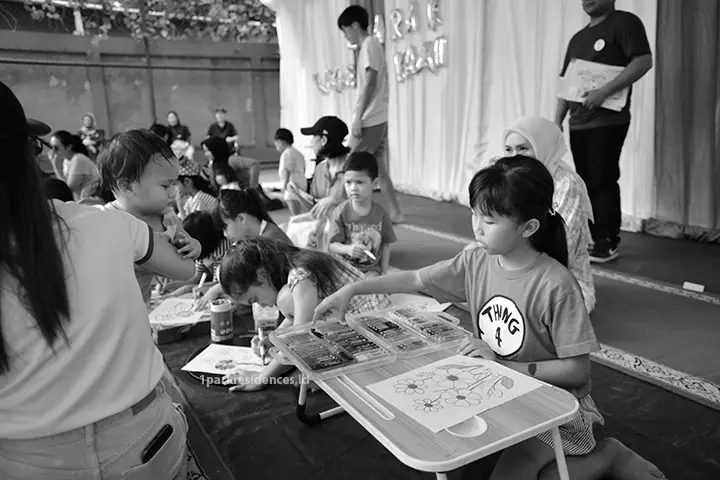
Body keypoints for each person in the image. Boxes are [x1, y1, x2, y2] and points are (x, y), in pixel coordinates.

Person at [314, 155, 666, 480]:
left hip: (554, 406)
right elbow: (414, 279)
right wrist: (351, 289)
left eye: (489, 220)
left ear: (528, 227)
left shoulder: (556, 285)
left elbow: (576, 372)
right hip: (494, 389)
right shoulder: (475, 262)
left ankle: (609, 456)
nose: (477, 229)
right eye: (474, 215)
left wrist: (501, 365)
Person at [0, 80, 189, 480]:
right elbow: (188, 269)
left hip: (24, 462)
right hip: (145, 444)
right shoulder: (107, 223)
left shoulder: (116, 220)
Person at [217, 237, 392, 392]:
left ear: (261, 275)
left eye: (255, 299)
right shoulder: (293, 262)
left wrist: (261, 378)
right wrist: (273, 339)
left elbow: (299, 338)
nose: (262, 305)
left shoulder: (300, 277)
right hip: (370, 327)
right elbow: (298, 318)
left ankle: (338, 377)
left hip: (378, 339)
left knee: (289, 316)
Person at [555, 0, 653, 263]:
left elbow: (643, 61)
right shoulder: (578, 38)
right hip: (578, 122)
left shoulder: (625, 23)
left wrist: (604, 92)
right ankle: (591, 237)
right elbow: (567, 82)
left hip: (609, 120)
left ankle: (607, 241)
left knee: (602, 179)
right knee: (585, 181)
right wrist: (557, 120)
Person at [502, 116, 595, 313]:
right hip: (514, 261)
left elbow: (563, 246)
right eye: (508, 150)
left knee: (546, 310)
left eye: (523, 148)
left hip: (557, 275)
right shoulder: (511, 178)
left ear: (543, 146)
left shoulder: (567, 184)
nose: (514, 156)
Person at [96, 129, 202, 303]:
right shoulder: (108, 221)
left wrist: (194, 246)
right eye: (165, 185)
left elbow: (188, 252)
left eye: (174, 184)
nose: (173, 192)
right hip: (114, 308)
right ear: (127, 187)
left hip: (142, 304)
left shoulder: (168, 218)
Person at [338, 5, 403, 223]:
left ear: (355, 25)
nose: (346, 36)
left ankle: (340, 212)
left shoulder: (369, 45)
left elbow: (370, 83)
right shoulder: (370, 46)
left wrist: (358, 116)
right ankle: (395, 212)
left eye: (346, 30)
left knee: (351, 166)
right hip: (376, 116)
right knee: (378, 168)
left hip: (371, 118)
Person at [195, 187, 292, 311]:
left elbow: (256, 287)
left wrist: (217, 289)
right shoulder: (257, 238)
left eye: (225, 227)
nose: (225, 234)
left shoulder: (269, 241)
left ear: (241, 219)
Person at [284, 116, 350, 249]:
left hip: (347, 229)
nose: (311, 141)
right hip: (325, 224)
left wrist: (335, 200)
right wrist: (298, 194)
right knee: (288, 226)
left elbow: (364, 207)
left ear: (324, 140)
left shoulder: (353, 167)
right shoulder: (320, 168)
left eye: (314, 137)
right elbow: (315, 209)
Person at [329, 152, 396, 277]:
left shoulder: (381, 214)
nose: (353, 188)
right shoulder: (340, 212)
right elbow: (332, 245)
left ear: (375, 184)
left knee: (372, 284)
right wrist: (348, 249)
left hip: (370, 270)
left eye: (359, 182)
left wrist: (384, 272)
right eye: (348, 182)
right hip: (344, 269)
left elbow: (385, 245)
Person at [161, 211, 231, 296]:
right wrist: (175, 284)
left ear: (200, 239)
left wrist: (187, 288)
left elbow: (219, 285)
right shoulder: (202, 251)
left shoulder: (222, 250)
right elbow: (197, 276)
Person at [49, 130, 100, 201]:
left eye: (56, 148)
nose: (53, 151)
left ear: (68, 147)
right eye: (51, 147)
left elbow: (69, 188)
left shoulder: (78, 159)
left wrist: (55, 166)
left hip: (89, 201)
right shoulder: (67, 160)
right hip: (81, 200)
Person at [274, 128, 307, 216]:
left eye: (276, 144)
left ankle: (295, 220)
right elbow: (304, 168)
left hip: (292, 184)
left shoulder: (286, 154)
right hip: (301, 182)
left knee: (293, 208)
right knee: (298, 206)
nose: (276, 146)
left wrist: (284, 185)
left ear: (281, 142)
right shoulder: (298, 153)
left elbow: (286, 170)